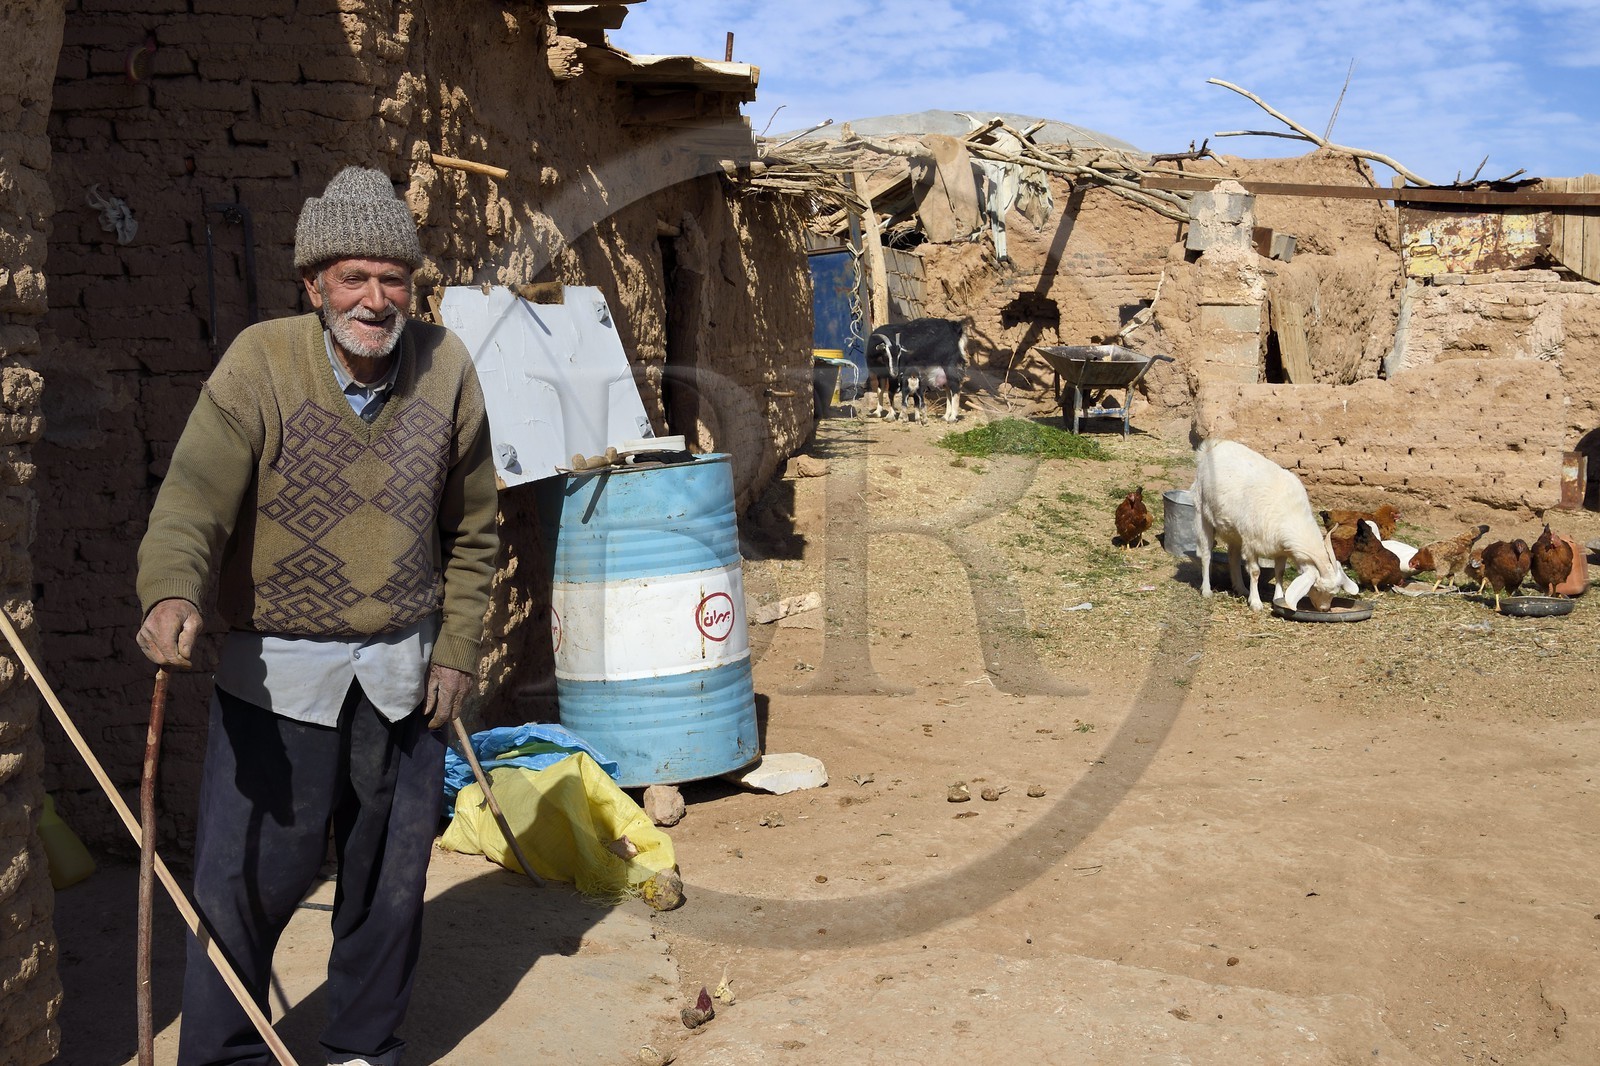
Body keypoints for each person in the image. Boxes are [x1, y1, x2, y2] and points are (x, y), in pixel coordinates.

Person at [136, 166, 500, 1066]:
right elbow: (191, 504)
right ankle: (226, 1057)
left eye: (394, 279)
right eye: (354, 277)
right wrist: (173, 590)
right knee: (245, 887)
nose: (376, 299)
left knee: (388, 886)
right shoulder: (260, 362)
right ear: (313, 285)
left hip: (404, 681)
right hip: (278, 681)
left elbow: (477, 529)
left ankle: (362, 1050)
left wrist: (456, 651)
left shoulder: (446, 367)